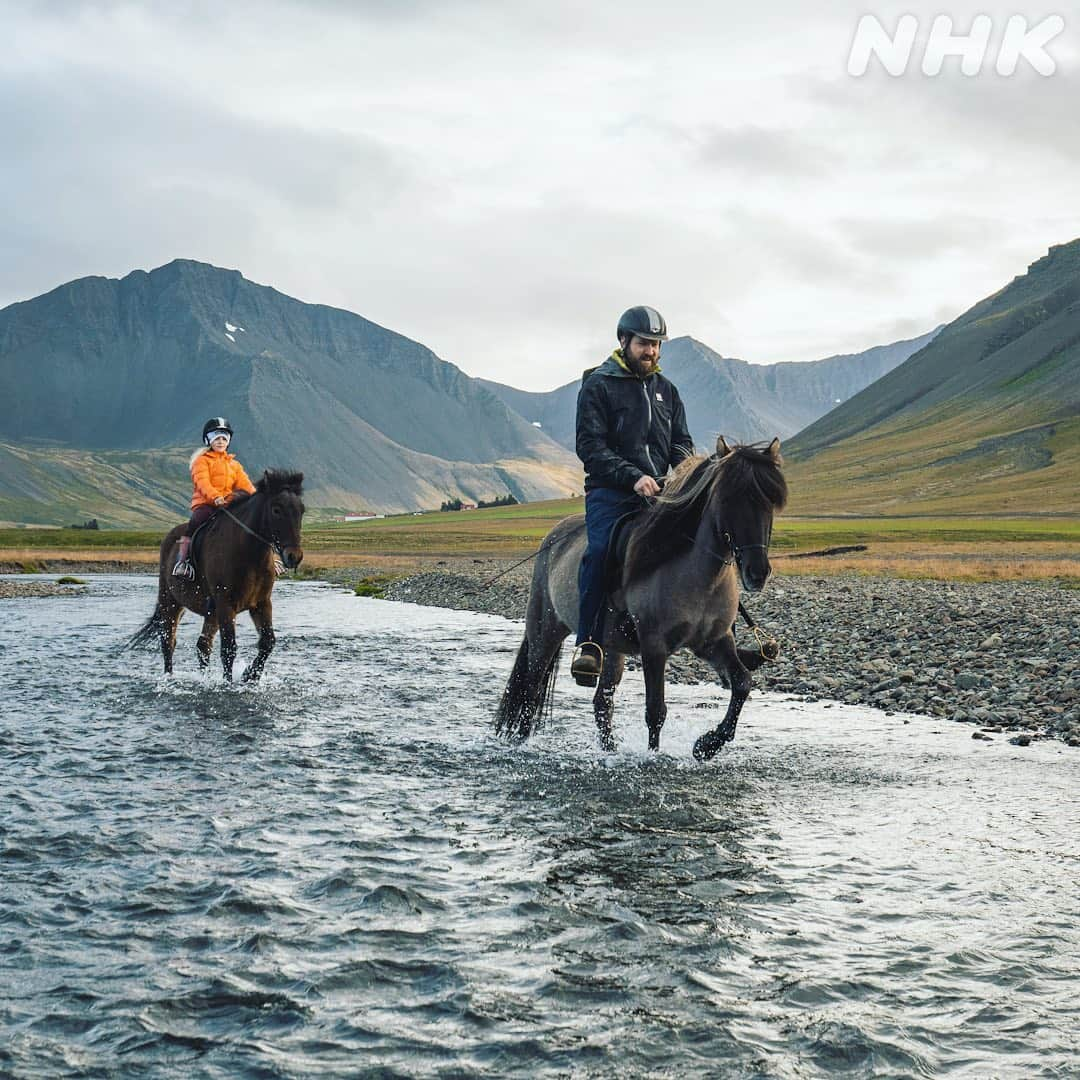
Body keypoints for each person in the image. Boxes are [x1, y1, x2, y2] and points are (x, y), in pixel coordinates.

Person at [571, 306, 694, 685]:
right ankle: (589, 643)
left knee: (701, 540)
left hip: (657, 494)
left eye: (657, 345)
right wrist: (633, 476)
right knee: (599, 552)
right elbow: (590, 446)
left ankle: (723, 631)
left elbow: (681, 443)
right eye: (644, 343)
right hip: (610, 492)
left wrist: (685, 473)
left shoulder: (667, 391)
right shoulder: (598, 385)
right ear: (624, 342)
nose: (651, 352)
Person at [172, 417, 256, 578]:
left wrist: (257, 498)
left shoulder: (234, 465)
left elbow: (246, 484)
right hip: (207, 504)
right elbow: (202, 482)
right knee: (197, 520)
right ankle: (183, 561)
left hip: (228, 505)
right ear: (208, 440)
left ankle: (266, 560)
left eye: (224, 438)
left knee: (252, 523)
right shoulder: (201, 462)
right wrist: (215, 497)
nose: (220, 441)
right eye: (216, 437)